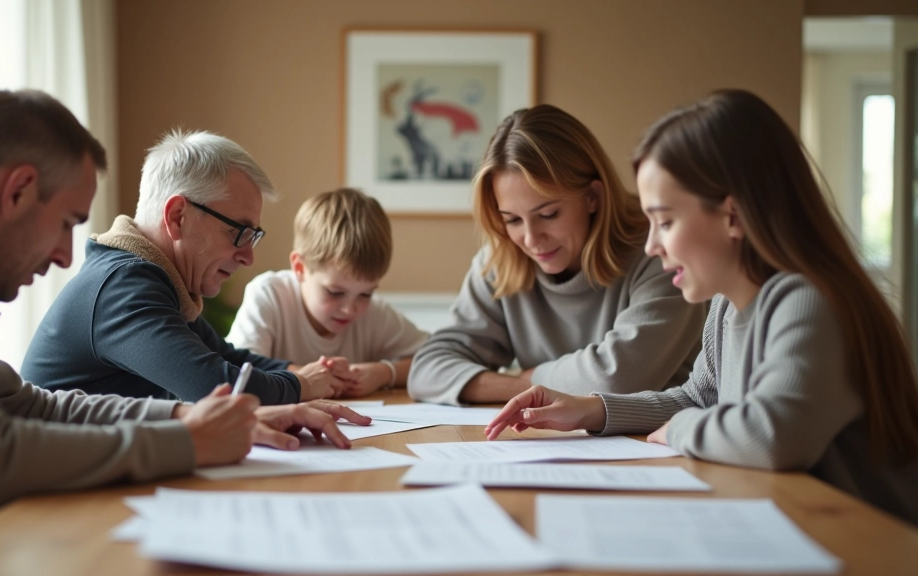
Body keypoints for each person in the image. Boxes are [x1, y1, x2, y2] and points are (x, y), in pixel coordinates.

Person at [0, 90, 369, 558]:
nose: (65, 255)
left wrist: (186, 420)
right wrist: (184, 440)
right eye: (66, 223)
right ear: (17, 190)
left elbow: (31, 405)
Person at [485, 89, 918, 525]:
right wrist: (591, 410)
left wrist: (681, 429)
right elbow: (696, 397)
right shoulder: (726, 308)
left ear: (732, 215)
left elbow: (771, 436)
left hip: (872, 546)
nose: (652, 245)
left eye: (666, 222)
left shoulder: (808, 302)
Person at [21, 130, 352, 404]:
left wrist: (312, 372)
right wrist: (302, 384)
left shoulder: (155, 279)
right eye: (240, 233)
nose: (248, 257)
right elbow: (217, 388)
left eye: (255, 236)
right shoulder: (123, 284)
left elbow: (226, 358)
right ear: (178, 216)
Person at [407, 104, 705, 406]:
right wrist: (523, 386)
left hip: (660, 444)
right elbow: (427, 370)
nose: (531, 239)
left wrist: (530, 379)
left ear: (592, 197)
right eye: (512, 220)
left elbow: (616, 378)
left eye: (548, 214)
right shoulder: (500, 261)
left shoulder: (662, 251)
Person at [228, 188, 428, 397]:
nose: (350, 309)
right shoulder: (269, 294)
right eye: (335, 292)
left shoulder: (375, 313)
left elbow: (436, 357)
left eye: (366, 294)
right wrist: (307, 378)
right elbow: (239, 369)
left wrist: (385, 373)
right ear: (300, 268)